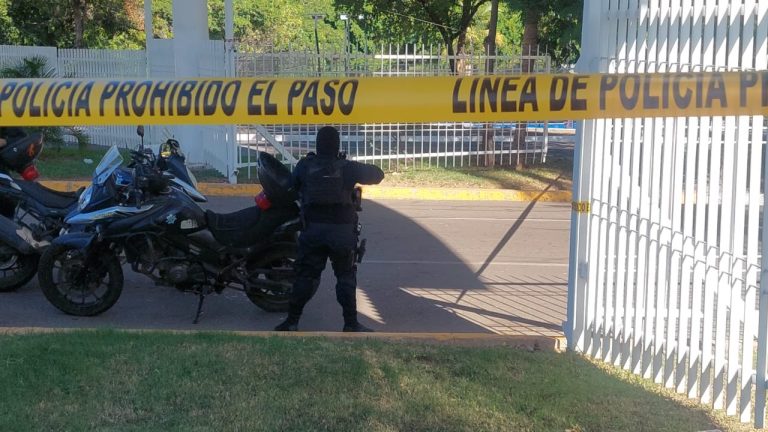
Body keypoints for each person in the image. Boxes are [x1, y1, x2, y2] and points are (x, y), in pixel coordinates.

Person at [275, 126, 384, 332]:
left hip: (313, 231)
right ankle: (350, 324)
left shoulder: (305, 165)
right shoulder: (348, 167)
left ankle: (292, 321)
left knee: (305, 276)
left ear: (317, 145)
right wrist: (350, 164)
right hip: (342, 233)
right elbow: (378, 175)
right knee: (345, 277)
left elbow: (290, 186)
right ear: (337, 145)